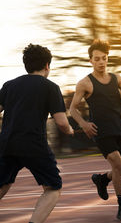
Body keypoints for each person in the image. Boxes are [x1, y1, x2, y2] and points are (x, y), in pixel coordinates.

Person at [0, 44, 74, 223]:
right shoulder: (51, 87)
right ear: (47, 65)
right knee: (53, 187)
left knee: (4, 183)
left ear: (26, 64)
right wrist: (70, 130)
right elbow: (62, 123)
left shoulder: (9, 85)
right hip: (34, 144)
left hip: (7, 142)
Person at [70, 39, 121, 221]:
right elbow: (72, 109)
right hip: (101, 131)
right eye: (96, 59)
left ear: (108, 59)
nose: (101, 62)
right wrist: (83, 124)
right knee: (117, 163)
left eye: (104, 58)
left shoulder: (117, 79)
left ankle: (102, 179)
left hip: (120, 129)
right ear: (90, 60)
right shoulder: (85, 83)